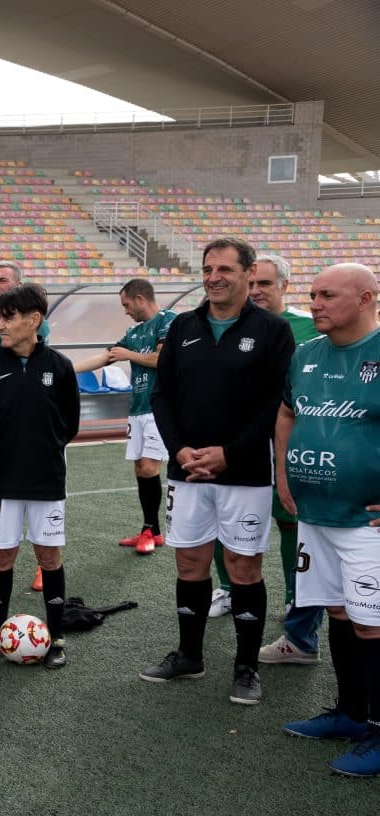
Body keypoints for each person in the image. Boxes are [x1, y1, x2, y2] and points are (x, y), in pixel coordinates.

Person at [140, 237, 295, 705]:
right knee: (189, 561)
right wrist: (179, 449)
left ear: (250, 274)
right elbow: (161, 395)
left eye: (225, 269)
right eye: (208, 269)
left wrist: (230, 452)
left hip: (244, 471)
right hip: (187, 470)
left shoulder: (272, 330)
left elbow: (277, 403)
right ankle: (190, 655)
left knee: (243, 566)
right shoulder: (184, 325)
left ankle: (245, 666)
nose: (214, 277)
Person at [274, 263, 380, 775]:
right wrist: (283, 473)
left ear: (365, 299)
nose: (314, 303)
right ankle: (352, 714)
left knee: (372, 624)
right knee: (338, 612)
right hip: (316, 514)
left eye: (327, 295)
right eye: (312, 294)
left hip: (367, 522)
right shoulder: (306, 355)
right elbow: (288, 413)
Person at [0, 283, 80, 668]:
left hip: (46, 482)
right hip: (1, 483)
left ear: (34, 320)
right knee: (2, 557)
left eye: (7, 317)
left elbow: (71, 424)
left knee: (49, 556)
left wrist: (40, 453)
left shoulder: (60, 367)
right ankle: (1, 636)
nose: (0, 324)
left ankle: (57, 637)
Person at [250, 254, 326, 666]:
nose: (256, 291)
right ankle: (234, 592)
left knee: (300, 527)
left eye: (264, 283)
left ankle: (301, 609)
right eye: (251, 283)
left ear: (284, 285)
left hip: (303, 449)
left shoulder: (313, 331)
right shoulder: (234, 325)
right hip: (251, 444)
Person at [73, 278, 174, 554]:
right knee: (139, 469)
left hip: (158, 407)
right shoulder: (134, 332)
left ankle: (150, 531)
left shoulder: (169, 321)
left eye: (126, 305)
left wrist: (128, 354)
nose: (126, 311)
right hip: (137, 408)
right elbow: (108, 357)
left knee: (150, 468)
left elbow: (161, 359)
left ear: (141, 298)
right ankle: (150, 529)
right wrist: (66, 370)